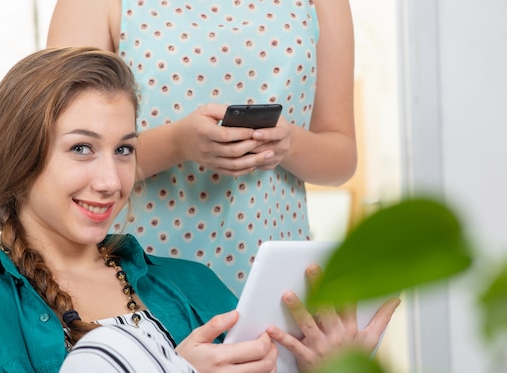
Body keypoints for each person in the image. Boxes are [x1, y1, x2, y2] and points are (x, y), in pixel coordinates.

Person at [0, 47, 398, 373]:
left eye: (123, 150)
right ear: (19, 158)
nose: (111, 181)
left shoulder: (194, 284)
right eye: (81, 148)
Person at [46, 0, 358, 297]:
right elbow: (62, 153)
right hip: (138, 277)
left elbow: (341, 156)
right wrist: (177, 143)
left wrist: (287, 145)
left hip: (273, 280)